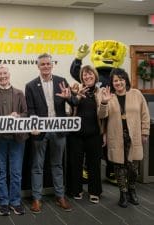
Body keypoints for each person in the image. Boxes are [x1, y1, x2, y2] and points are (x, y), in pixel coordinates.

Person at [25, 53, 78, 213]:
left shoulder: (61, 81)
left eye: (48, 64)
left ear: (52, 64)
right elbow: (31, 110)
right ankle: (36, 199)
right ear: (38, 66)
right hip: (39, 131)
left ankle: (60, 196)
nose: (46, 66)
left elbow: (75, 102)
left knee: (57, 164)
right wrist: (33, 125)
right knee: (37, 166)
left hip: (58, 130)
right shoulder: (31, 85)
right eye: (43, 64)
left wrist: (69, 97)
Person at [70, 40, 127, 184]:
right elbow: (78, 73)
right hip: (95, 119)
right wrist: (78, 59)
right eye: (101, 52)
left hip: (113, 116)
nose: (106, 55)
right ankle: (87, 170)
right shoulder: (93, 77)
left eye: (113, 53)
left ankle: (111, 171)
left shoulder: (117, 76)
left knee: (112, 146)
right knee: (93, 149)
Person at [99, 68, 150, 208]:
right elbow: (101, 116)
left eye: (121, 79)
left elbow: (145, 114)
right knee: (119, 166)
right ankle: (123, 193)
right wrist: (104, 102)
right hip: (116, 136)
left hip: (134, 136)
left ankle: (132, 189)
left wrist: (145, 132)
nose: (119, 82)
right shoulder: (107, 95)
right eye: (115, 80)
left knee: (133, 168)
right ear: (112, 82)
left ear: (126, 80)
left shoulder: (136, 94)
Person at [0, 65, 28, 216]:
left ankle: (15, 202)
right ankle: (3, 202)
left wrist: (19, 116)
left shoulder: (19, 93)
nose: (2, 76)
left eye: (4, 73)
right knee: (1, 171)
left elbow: (26, 113)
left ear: (9, 75)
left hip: (17, 139)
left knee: (16, 172)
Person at [67, 65, 103, 204]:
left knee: (94, 164)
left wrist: (104, 134)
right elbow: (70, 107)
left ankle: (95, 191)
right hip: (76, 135)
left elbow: (104, 115)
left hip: (94, 134)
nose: (87, 77)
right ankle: (77, 189)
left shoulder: (100, 92)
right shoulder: (76, 89)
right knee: (75, 163)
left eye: (90, 74)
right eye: (84, 75)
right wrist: (76, 95)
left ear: (95, 76)